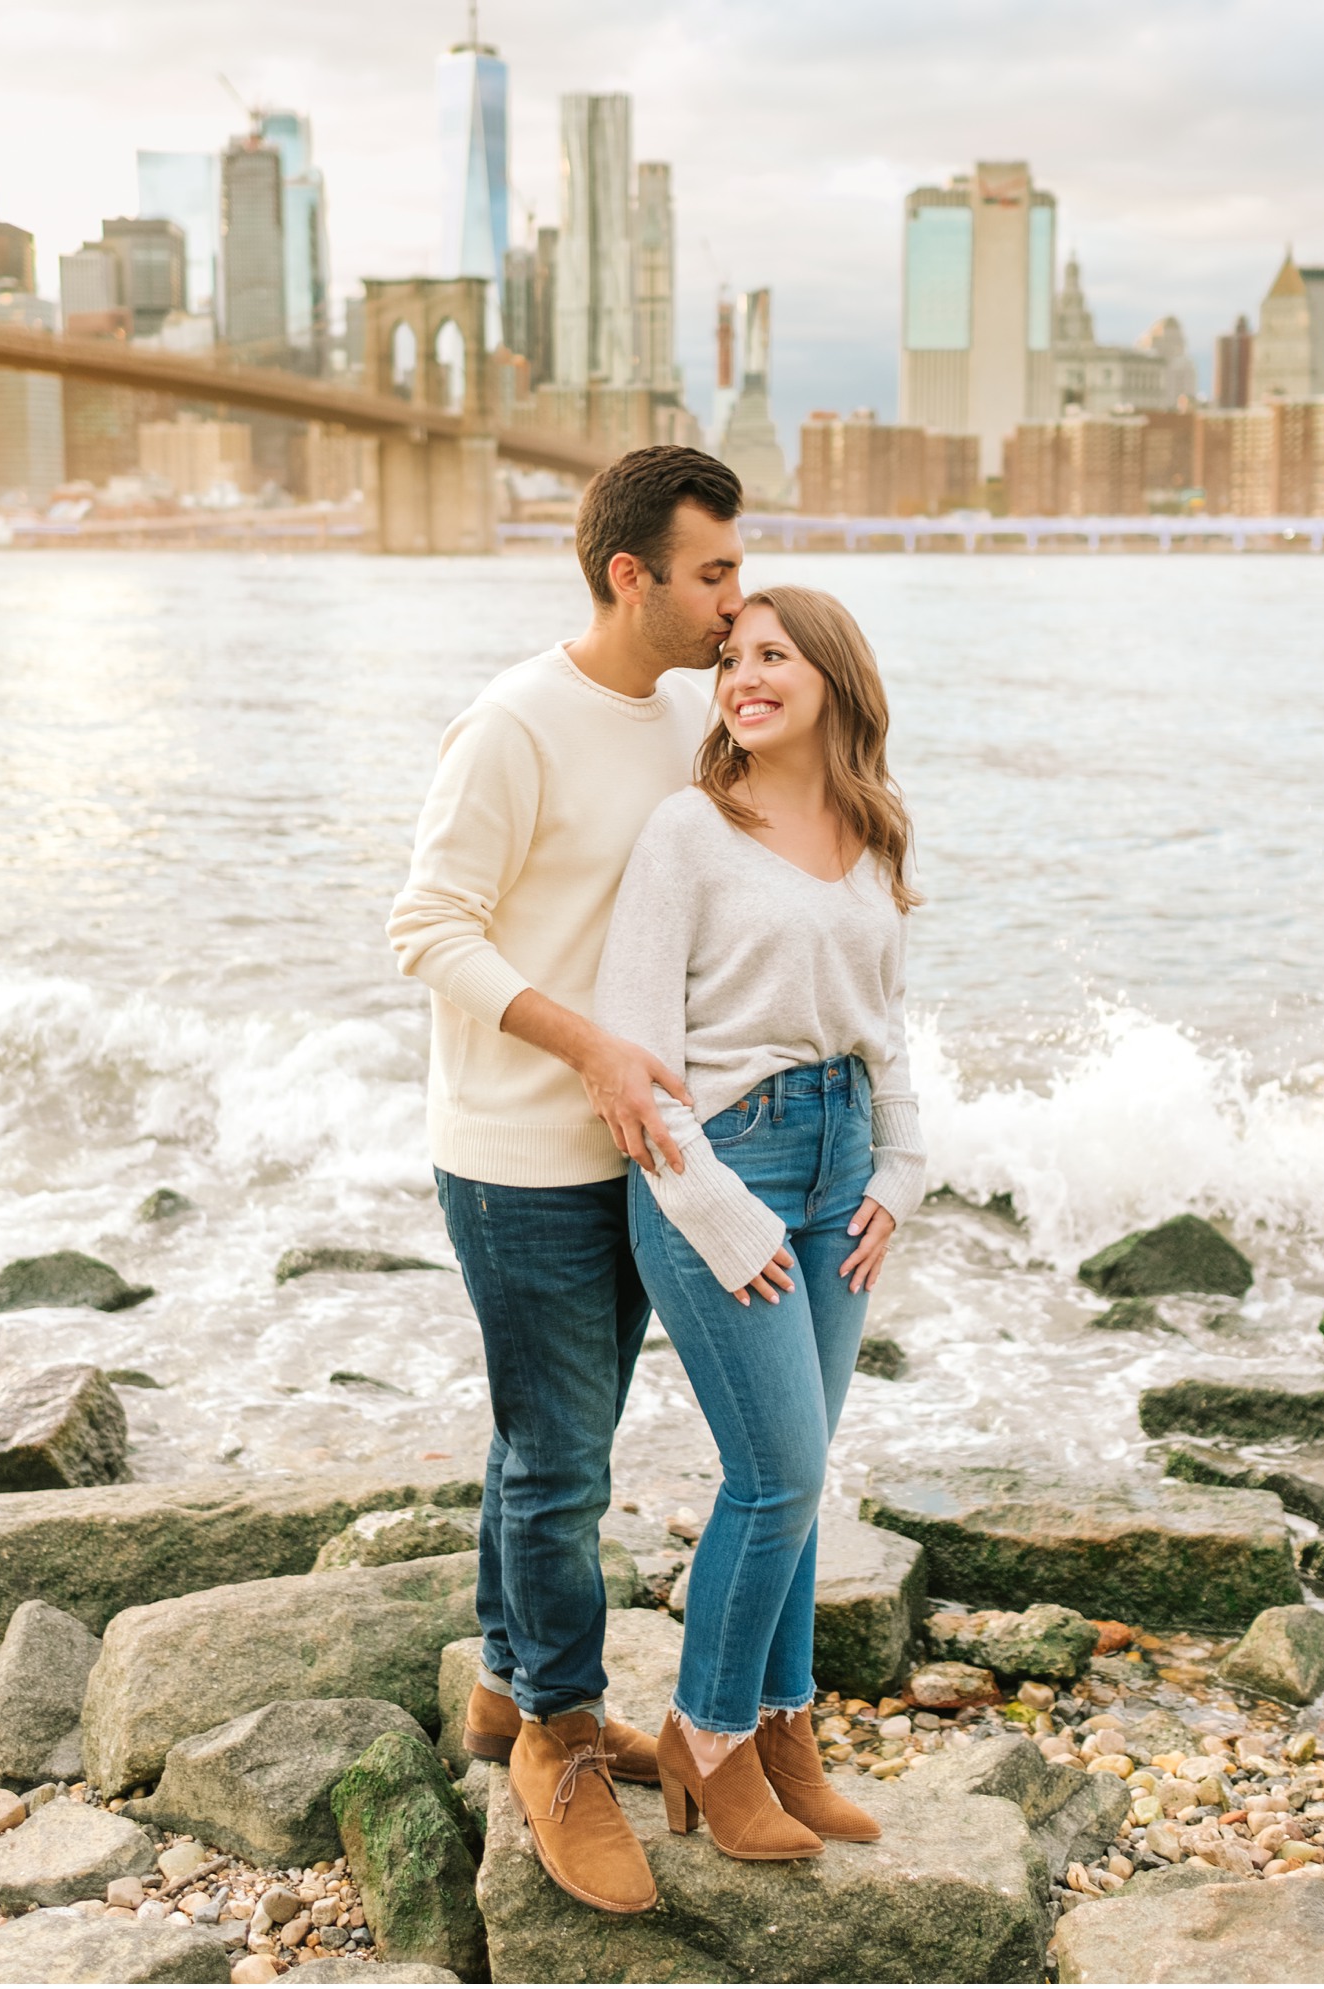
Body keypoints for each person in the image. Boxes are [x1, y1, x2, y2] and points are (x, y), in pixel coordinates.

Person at [387, 447, 745, 1916]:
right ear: (630, 575)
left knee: (554, 1435)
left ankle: (501, 1678)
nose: (737, 598)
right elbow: (427, 926)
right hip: (521, 1156)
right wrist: (588, 1042)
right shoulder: (513, 724)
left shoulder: (685, 715)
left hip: (640, 1153)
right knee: (562, 1461)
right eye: (713, 572)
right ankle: (557, 1733)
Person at [594, 584, 926, 1861]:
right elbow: (638, 1058)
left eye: (774, 654)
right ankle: (709, 1733)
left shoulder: (873, 828)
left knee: (803, 1476)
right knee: (775, 1473)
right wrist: (720, 1212)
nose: (743, 674)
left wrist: (902, 1170)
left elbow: (888, 1029)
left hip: (844, 1162)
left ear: (834, 675)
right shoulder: (689, 830)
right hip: (718, 1164)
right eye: (734, 657)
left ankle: (785, 1731)